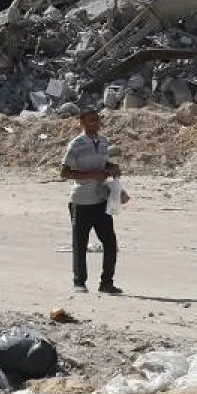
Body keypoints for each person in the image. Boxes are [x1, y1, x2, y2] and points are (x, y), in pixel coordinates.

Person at [60, 108, 128, 294]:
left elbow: (104, 165)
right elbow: (64, 172)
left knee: (110, 243)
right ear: (81, 122)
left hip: (101, 200)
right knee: (80, 245)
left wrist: (112, 169)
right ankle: (79, 282)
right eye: (91, 120)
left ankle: (106, 283)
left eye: (97, 120)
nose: (96, 124)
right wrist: (92, 175)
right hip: (81, 202)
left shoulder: (104, 141)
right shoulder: (76, 144)